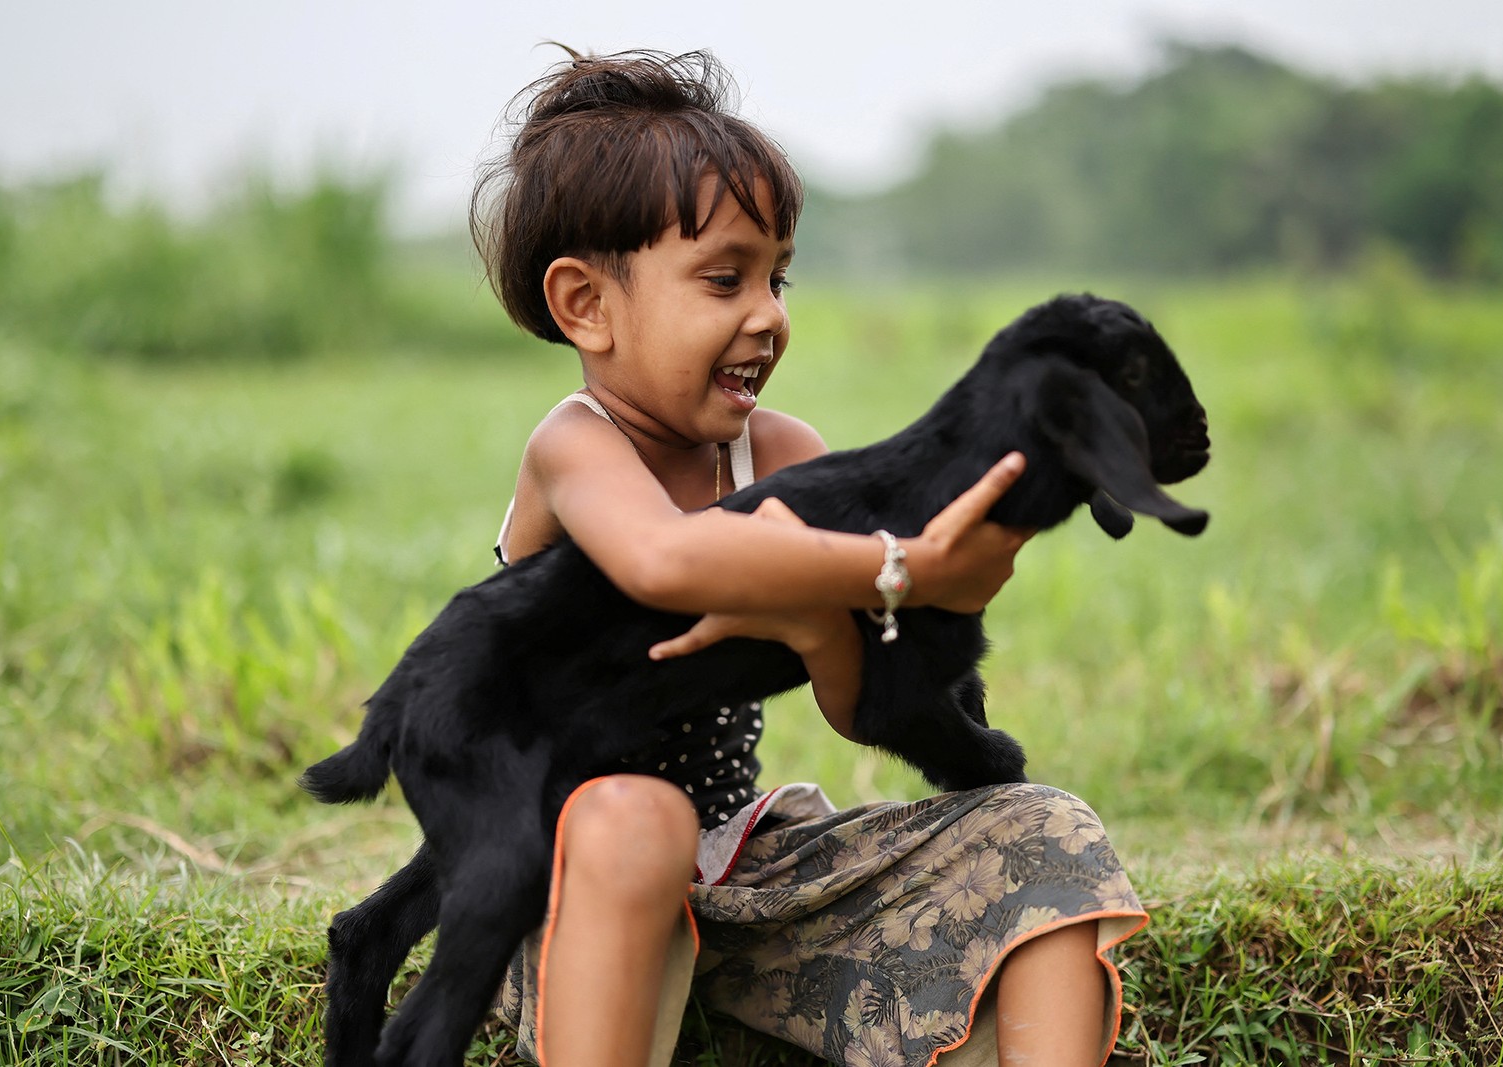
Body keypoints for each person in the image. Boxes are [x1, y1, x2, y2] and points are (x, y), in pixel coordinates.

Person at [473, 48, 1147, 1067]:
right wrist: (906, 570)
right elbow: (665, 561)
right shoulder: (574, 447)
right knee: (636, 814)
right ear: (586, 306)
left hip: (741, 864)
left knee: (1043, 825)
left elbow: (858, 703)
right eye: (723, 278)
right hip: (563, 878)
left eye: (777, 275)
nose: (767, 314)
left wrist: (809, 619)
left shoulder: (781, 454)